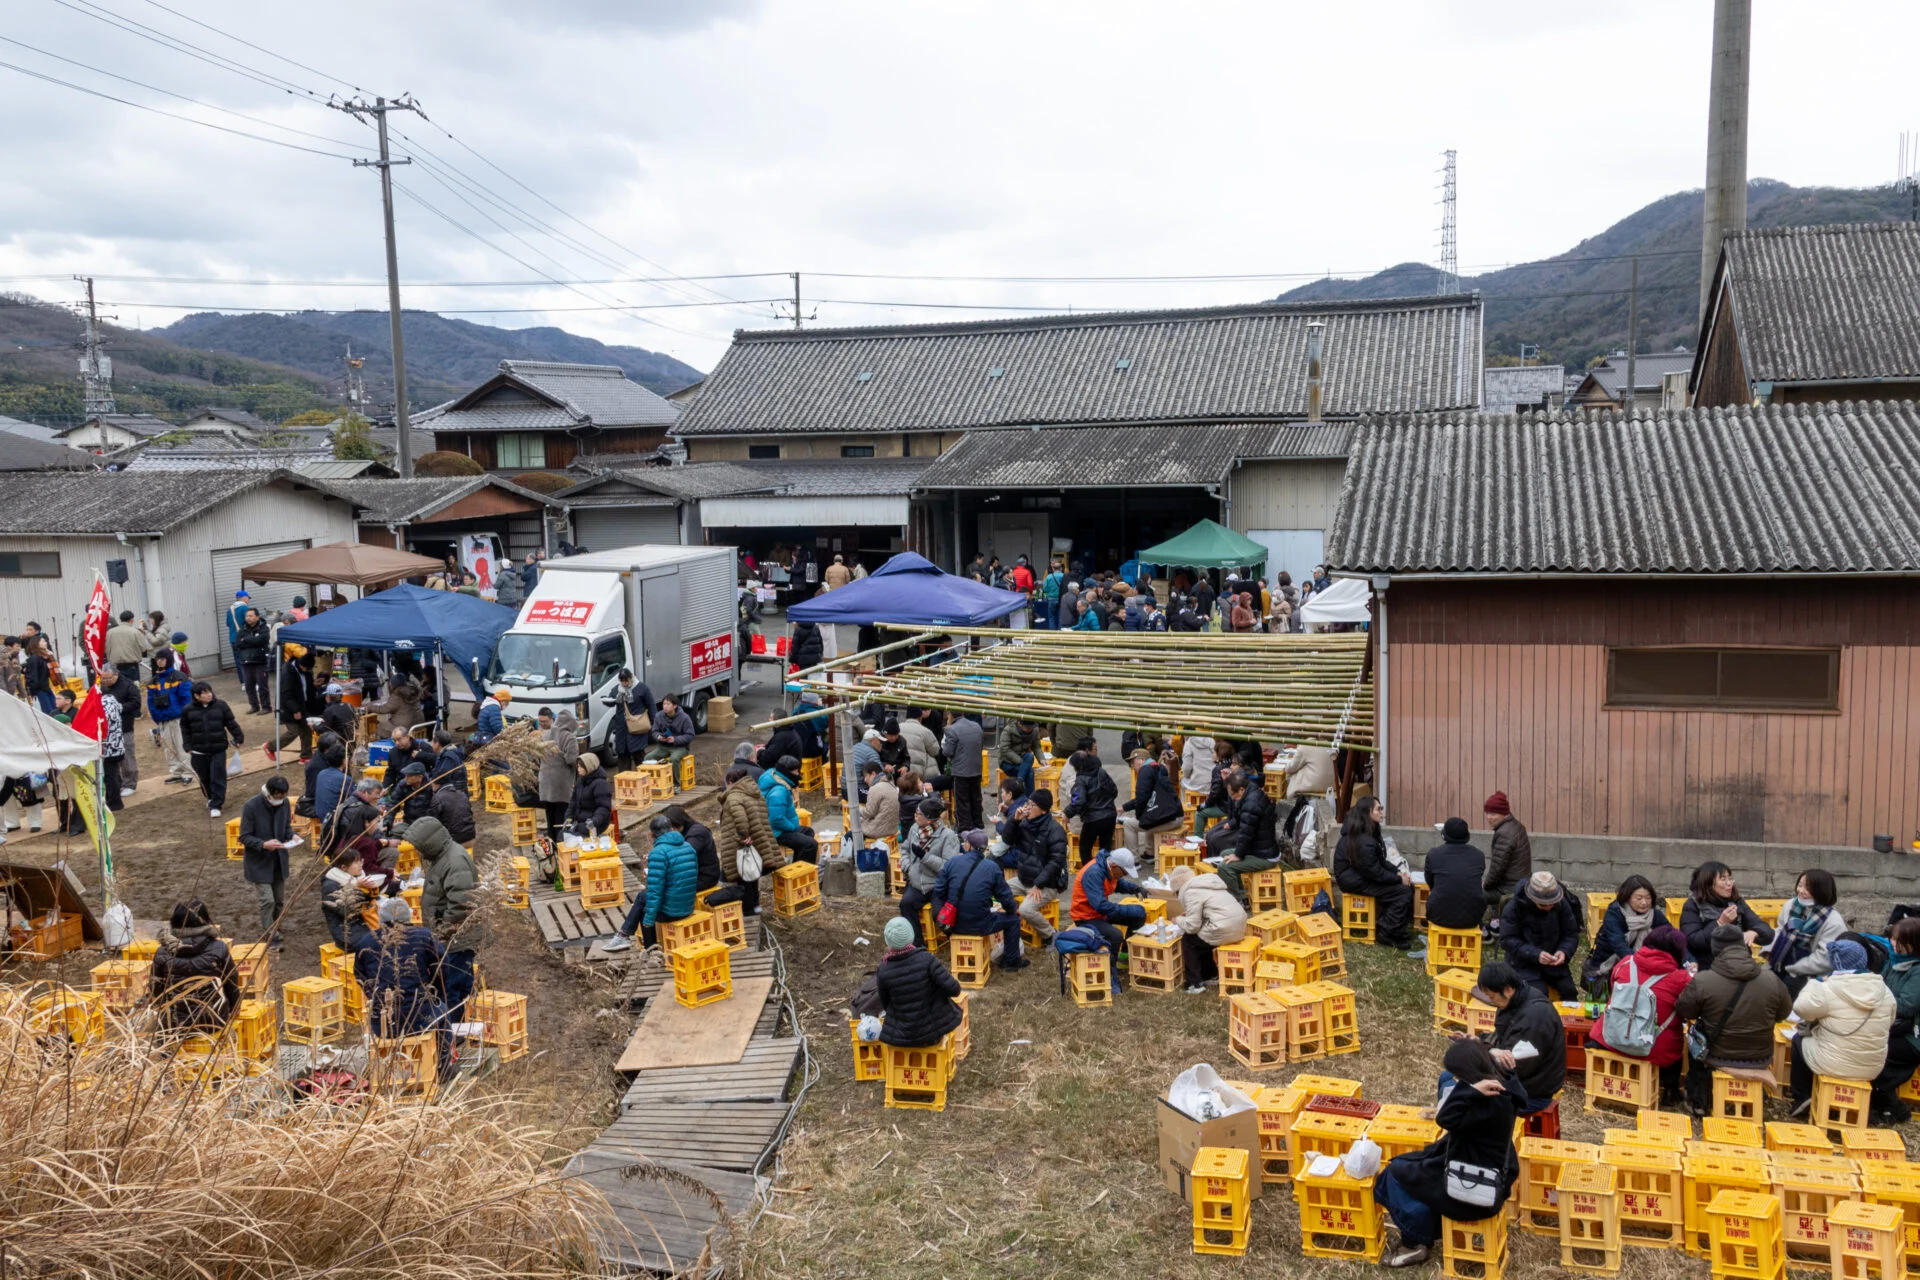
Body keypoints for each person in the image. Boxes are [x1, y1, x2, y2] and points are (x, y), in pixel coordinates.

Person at [1378, 1038, 1526, 1269]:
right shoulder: (1504, 1089)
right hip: (1488, 1174)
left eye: (1458, 1076)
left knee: (1393, 1174)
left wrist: (1470, 1090)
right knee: (1411, 1164)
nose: (1455, 1080)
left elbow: (1444, 1118)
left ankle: (1414, 1241)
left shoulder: (1485, 1103)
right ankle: (1422, 1229)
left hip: (1469, 1189)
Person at [1674, 923, 1796, 1116]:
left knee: (1695, 1037)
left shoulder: (1704, 979)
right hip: (1760, 1055)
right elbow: (1783, 1014)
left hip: (1716, 1054)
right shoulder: (1771, 979)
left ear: (1715, 949)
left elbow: (1684, 1010)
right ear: (1744, 946)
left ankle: (1698, 1099)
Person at [1586, 924, 1693, 1105]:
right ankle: (1670, 1091)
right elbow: (1689, 1008)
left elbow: (1614, 988)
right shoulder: (1681, 979)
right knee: (1675, 1042)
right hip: (1653, 1047)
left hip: (1609, 1037)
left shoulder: (1625, 963)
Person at [1789, 938, 1895, 1117]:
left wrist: (1814, 983)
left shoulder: (1827, 988)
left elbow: (1801, 1008)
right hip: (1872, 1067)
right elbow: (1889, 1022)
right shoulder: (1884, 990)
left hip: (1833, 1063)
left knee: (1799, 1040)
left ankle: (1802, 1096)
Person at [1465, 961, 1566, 1114]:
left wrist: (1483, 1056)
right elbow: (1503, 1038)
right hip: (1518, 1078)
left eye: (1491, 996)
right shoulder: (1513, 1002)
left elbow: (1514, 1066)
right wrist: (1480, 1042)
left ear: (1509, 989)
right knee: (1451, 1078)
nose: (1490, 1001)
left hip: (1530, 1092)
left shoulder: (1535, 1017)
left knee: (1462, 1097)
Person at [413, 814, 481, 1021]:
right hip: (449, 937)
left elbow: (461, 904)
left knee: (451, 985)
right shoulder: (442, 855)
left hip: (455, 939)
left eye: (419, 846)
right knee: (454, 982)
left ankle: (454, 1030)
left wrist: (442, 931)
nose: (417, 851)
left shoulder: (454, 860)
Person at [354, 894, 446, 1043]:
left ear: (381, 917)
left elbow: (359, 974)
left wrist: (374, 995)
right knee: (444, 1013)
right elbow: (442, 967)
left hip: (382, 1021)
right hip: (421, 1017)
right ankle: (444, 1063)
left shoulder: (367, 941)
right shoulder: (423, 935)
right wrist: (434, 991)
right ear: (408, 917)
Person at [1330, 794, 1417, 948]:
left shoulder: (1367, 830)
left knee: (1407, 887)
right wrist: (1397, 879)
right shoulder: (1364, 838)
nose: (1382, 812)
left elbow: (1379, 862)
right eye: (1379, 809)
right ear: (1369, 812)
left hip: (1361, 876)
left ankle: (1392, 927)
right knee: (1404, 892)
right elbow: (1374, 872)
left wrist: (1398, 872)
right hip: (1354, 881)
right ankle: (1386, 932)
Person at [602, 814, 699, 952]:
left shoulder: (658, 853)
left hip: (672, 911)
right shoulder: (688, 846)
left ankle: (638, 944)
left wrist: (648, 921)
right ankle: (627, 938)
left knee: (643, 903)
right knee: (644, 902)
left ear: (652, 835)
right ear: (671, 829)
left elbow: (655, 891)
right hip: (688, 906)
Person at [933, 828, 1025, 970]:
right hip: (980, 925)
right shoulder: (992, 867)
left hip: (952, 922)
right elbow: (1005, 897)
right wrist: (1014, 909)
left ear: (968, 845)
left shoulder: (952, 862)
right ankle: (1011, 963)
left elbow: (939, 890)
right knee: (1012, 920)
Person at [148, 899, 241, 1034]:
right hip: (214, 1021)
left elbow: (156, 990)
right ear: (205, 920)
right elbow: (231, 982)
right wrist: (234, 1008)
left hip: (175, 1025)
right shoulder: (219, 948)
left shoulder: (162, 953)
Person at [875, 915, 965, 1048]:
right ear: (911, 936)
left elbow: (886, 1003)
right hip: (933, 1032)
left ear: (888, 941)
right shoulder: (927, 959)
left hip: (901, 1037)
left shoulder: (884, 968)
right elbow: (954, 989)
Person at [999, 788, 1069, 948]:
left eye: (1032, 805)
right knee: (997, 890)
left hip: (1047, 883)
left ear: (1043, 810)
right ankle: (1011, 926)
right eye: (1027, 804)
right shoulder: (1025, 823)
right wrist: (1014, 821)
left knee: (1026, 910)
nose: (1027, 808)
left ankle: (1051, 934)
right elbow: (1007, 840)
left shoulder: (1055, 830)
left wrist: (1038, 884)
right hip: (1024, 878)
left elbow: (1056, 862)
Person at [1498, 871, 1582, 1000]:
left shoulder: (1562, 904)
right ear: (1531, 898)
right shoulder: (1514, 907)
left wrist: (1564, 951)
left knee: (1569, 992)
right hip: (1523, 964)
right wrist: (1535, 954)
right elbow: (1507, 939)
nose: (1548, 907)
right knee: (1538, 996)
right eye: (1543, 904)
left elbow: (1571, 934)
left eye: (1552, 903)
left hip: (1554, 964)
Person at [1168, 863, 1247, 993]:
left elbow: (1192, 926)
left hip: (1224, 927)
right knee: (1203, 937)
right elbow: (1212, 909)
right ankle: (1210, 974)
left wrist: (1178, 920)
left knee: (1189, 940)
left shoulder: (1190, 892)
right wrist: (1188, 915)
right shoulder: (1208, 883)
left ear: (1178, 888)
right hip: (1239, 925)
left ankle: (1194, 983)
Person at [1679, 861, 1777, 965]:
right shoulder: (1693, 905)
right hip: (1709, 967)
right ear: (1708, 883)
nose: (1729, 883)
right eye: (1723, 879)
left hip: (1740, 964)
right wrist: (1720, 923)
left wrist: (1754, 932)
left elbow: (1767, 932)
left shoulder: (1737, 902)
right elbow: (1693, 940)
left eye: (1730, 878)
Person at [712, 765, 779, 916]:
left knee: (744, 875)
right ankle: (756, 904)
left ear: (730, 782)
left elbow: (740, 818)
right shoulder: (754, 791)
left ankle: (748, 909)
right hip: (759, 838)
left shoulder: (734, 796)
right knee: (752, 872)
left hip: (742, 842)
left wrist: (743, 835)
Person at [1768, 869, 1847, 997]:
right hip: (1780, 963)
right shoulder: (1790, 906)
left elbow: (1824, 959)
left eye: (1808, 888)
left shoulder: (1833, 922)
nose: (1801, 891)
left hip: (1811, 976)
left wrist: (1793, 968)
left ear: (1821, 891)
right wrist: (1769, 950)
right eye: (1800, 885)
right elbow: (1780, 930)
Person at [1871, 918, 1920, 1124]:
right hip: (1889, 1024)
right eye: (1893, 938)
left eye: (1901, 941)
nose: (1894, 944)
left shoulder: (1917, 971)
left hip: (1911, 1036)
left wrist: (1880, 1001)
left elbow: (1907, 1006)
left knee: (1874, 1050)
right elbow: (1878, 985)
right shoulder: (1893, 961)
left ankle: (1891, 1105)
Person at [1586, 875, 1671, 991]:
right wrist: (1644, 965)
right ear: (1627, 897)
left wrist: (1688, 960)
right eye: (1639, 898)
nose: (1644, 902)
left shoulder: (1654, 915)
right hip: (1608, 965)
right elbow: (1619, 946)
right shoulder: (1614, 914)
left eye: (1648, 898)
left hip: (1640, 964)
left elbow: (1673, 937)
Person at [1069, 845, 1146, 973]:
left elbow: (1117, 883)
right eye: (1125, 872)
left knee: (1139, 914)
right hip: (1086, 917)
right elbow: (1101, 906)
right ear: (1115, 866)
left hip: (1099, 914)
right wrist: (1125, 909)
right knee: (1116, 935)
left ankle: (1124, 958)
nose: (1124, 875)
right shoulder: (1093, 873)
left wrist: (1136, 889)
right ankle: (1109, 971)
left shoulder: (1107, 868)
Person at [239, 776, 294, 949]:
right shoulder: (250, 806)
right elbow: (244, 836)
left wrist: (292, 836)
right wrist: (263, 845)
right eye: (279, 796)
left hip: (278, 859)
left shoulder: (284, 804)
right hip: (259, 862)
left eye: (283, 796)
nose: (281, 799)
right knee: (267, 900)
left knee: (279, 900)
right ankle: (269, 933)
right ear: (270, 793)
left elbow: (286, 827)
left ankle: (274, 926)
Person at [898, 797, 957, 946]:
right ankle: (918, 945)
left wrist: (925, 857)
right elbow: (904, 849)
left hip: (938, 886)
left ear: (929, 819)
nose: (915, 816)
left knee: (939, 915)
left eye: (919, 813)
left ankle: (955, 937)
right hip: (917, 883)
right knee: (906, 904)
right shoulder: (914, 829)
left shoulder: (947, 836)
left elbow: (948, 867)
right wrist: (907, 865)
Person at [179, 680, 243, 817]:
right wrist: (187, 745)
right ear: (196, 696)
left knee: (218, 776)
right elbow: (185, 730)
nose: (209, 695)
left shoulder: (221, 706)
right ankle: (210, 797)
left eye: (209, 691)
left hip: (218, 748)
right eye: (205, 693)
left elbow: (231, 723)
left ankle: (216, 804)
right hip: (198, 750)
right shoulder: (187, 710)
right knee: (204, 777)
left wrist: (238, 737)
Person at [1422, 818, 1487, 932]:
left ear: (1444, 835)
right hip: (1473, 916)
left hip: (1438, 914)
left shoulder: (1434, 854)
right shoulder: (1478, 855)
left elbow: (1430, 882)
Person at [144, 650, 195, 785]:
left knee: (181, 745)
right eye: (158, 659)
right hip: (163, 720)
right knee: (169, 748)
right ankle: (176, 772)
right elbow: (150, 702)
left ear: (169, 660)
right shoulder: (154, 681)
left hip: (178, 719)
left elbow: (186, 699)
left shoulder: (180, 677)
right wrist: (157, 717)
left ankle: (188, 772)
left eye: (162, 659)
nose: (159, 661)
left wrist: (185, 715)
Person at [1480, 792, 1531, 924]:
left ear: (1504, 813)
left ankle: (1481, 930)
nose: (1489, 817)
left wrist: (1486, 884)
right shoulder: (1516, 826)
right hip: (1520, 883)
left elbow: (1498, 866)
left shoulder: (1504, 833)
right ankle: (1496, 924)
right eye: (1487, 813)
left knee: (1474, 893)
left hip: (1509, 888)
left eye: (1493, 814)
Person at [1121, 747, 1183, 855]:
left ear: (1141, 759)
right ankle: (1150, 853)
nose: (1132, 765)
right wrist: (1124, 807)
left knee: (1129, 824)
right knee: (1150, 815)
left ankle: (1134, 861)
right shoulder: (1159, 768)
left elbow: (1141, 798)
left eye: (1133, 761)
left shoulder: (1145, 771)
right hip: (1176, 814)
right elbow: (1147, 796)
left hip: (1169, 819)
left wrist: (1139, 817)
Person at [1063, 748, 1118, 864]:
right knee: (1105, 849)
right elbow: (1114, 791)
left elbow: (1078, 801)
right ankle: (1104, 875)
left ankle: (1089, 873)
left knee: (1085, 849)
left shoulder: (1081, 780)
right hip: (1110, 815)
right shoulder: (1101, 772)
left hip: (1093, 819)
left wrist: (1067, 813)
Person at [760, 755, 817, 863]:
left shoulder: (780, 781)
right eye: (795, 771)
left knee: (808, 831)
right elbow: (776, 819)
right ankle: (801, 873)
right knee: (810, 844)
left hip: (781, 828)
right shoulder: (779, 792)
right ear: (787, 772)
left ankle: (798, 862)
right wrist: (792, 827)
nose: (797, 774)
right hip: (777, 832)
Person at [321, 847, 381, 949]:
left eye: (360, 860)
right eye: (356, 862)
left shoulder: (357, 878)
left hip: (364, 923)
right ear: (344, 867)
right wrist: (359, 888)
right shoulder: (330, 885)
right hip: (347, 932)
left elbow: (368, 901)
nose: (361, 864)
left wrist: (371, 890)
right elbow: (344, 910)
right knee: (378, 943)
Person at [264, 643, 314, 764]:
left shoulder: (304, 671)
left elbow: (305, 687)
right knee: (294, 731)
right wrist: (295, 710)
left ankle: (306, 755)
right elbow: (287, 694)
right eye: (307, 669)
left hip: (301, 705)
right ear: (301, 665)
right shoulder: (288, 673)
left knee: (306, 729)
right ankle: (270, 746)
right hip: (288, 708)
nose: (308, 671)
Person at [537, 708, 580, 840]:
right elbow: (571, 759)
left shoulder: (545, 734)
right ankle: (561, 846)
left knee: (550, 817)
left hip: (545, 782)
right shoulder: (569, 737)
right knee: (561, 818)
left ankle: (552, 844)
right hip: (561, 784)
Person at [940, 712, 984, 832]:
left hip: (961, 772)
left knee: (963, 802)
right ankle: (978, 826)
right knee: (976, 799)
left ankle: (965, 829)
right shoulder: (976, 726)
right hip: (976, 769)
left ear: (950, 716)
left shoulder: (951, 730)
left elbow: (947, 752)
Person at [604, 668, 654, 771]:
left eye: (626, 680)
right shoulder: (617, 690)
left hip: (637, 727)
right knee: (622, 755)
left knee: (639, 756)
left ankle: (643, 780)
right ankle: (624, 782)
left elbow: (651, 705)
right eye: (622, 681)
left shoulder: (642, 688)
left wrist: (655, 724)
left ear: (631, 678)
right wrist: (607, 700)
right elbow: (610, 702)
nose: (624, 683)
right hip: (622, 728)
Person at [644, 695, 696, 786]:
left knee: (674, 759)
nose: (665, 706)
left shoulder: (684, 717)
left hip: (680, 747)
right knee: (648, 758)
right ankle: (654, 783)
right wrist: (659, 737)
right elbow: (654, 731)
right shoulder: (659, 716)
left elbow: (690, 735)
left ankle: (676, 784)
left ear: (675, 706)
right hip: (664, 746)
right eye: (664, 704)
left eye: (668, 704)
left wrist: (675, 739)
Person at [232, 606, 271, 714]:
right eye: (247, 616)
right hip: (246, 661)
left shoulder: (263, 628)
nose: (248, 618)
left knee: (262, 686)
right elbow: (237, 644)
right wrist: (252, 641)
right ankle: (254, 706)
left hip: (260, 661)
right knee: (249, 686)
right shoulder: (242, 629)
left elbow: (263, 639)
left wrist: (246, 640)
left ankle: (266, 707)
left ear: (257, 617)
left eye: (251, 616)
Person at [566, 752, 614, 835]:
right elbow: (573, 802)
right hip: (579, 821)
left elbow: (604, 807)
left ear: (589, 767)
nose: (578, 769)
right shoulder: (580, 781)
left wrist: (594, 821)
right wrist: (568, 818)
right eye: (578, 766)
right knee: (562, 835)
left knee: (575, 836)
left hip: (595, 823)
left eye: (581, 767)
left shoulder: (600, 784)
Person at [431, 768, 476, 844]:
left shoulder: (437, 798)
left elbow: (433, 822)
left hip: (453, 841)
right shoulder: (462, 794)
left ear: (436, 784)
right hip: (470, 835)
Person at [858, 760, 899, 843]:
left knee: (851, 832)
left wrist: (857, 808)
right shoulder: (891, 784)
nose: (865, 780)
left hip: (878, 830)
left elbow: (869, 813)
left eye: (866, 776)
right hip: (892, 828)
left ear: (873, 774)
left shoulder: (875, 788)